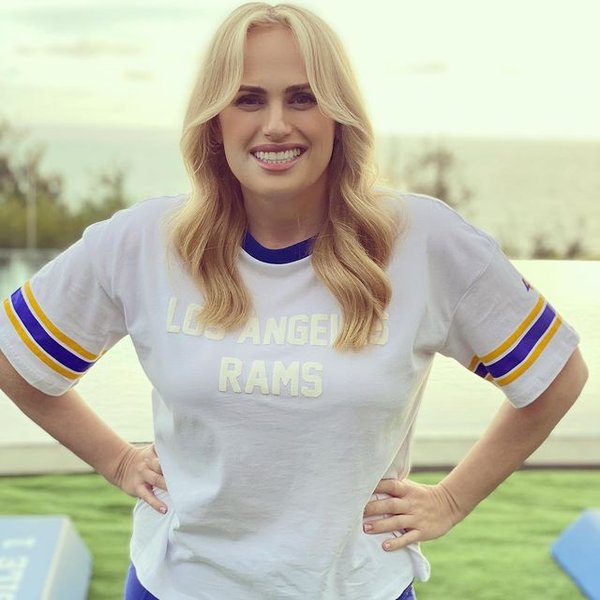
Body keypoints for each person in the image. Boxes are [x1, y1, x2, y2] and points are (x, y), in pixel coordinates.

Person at [0, 2, 588, 599]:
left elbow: (556, 375)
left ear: (339, 116)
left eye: (304, 98)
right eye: (248, 99)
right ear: (215, 121)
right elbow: (13, 356)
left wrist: (452, 499)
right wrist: (118, 461)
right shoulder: (144, 241)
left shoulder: (423, 241)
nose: (276, 124)